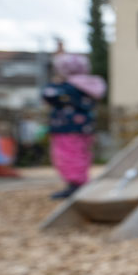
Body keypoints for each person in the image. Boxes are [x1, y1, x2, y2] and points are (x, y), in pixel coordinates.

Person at [42, 53, 106, 198]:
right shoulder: (90, 85)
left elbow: (47, 94)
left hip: (66, 127)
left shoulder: (67, 87)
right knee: (81, 154)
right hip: (85, 127)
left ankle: (76, 184)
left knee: (67, 155)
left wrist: (56, 82)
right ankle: (81, 181)